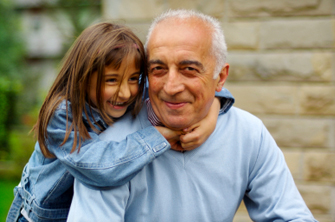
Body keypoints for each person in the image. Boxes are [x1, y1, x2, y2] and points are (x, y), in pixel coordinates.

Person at [67, 9, 317, 222]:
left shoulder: (249, 134)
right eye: (158, 69)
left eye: (189, 69)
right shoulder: (107, 151)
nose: (171, 86)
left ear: (220, 77)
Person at [6, 22, 227, 222]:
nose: (125, 92)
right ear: (84, 76)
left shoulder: (133, 91)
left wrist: (210, 118)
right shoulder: (63, 115)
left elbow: (209, 88)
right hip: (40, 217)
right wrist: (160, 136)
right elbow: (100, 168)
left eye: (133, 79)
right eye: (111, 80)